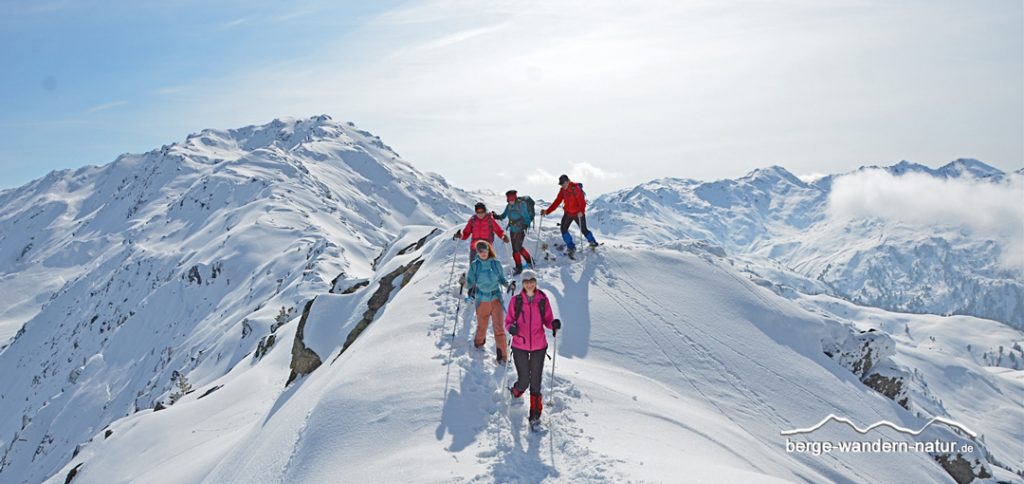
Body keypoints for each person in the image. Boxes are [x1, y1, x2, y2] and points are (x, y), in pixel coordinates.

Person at [505, 269, 561, 426]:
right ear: (522, 284)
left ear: (536, 282)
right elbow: (508, 321)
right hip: (519, 345)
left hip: (538, 346)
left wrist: (553, 324)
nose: (529, 284)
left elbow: (548, 320)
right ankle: (516, 391)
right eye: (526, 281)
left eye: (532, 281)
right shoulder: (516, 301)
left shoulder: (542, 300)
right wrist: (511, 328)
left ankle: (535, 414)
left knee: (536, 381)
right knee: (524, 380)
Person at [466, 240, 513, 363]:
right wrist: (464, 282)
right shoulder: (475, 265)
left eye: (484, 250)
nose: (483, 253)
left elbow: (502, 279)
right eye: (480, 251)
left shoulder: (496, 264)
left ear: (488, 249)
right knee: (482, 326)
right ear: (477, 252)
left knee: (499, 328)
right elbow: (469, 282)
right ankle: (478, 344)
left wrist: (508, 285)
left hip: (496, 299)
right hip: (482, 300)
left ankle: (502, 356)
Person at [543, 174, 598, 258]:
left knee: (584, 229)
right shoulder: (562, 190)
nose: (563, 186)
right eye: (561, 184)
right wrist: (547, 211)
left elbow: (582, 202)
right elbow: (557, 202)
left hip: (578, 213)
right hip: (568, 213)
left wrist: (581, 211)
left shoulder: (575, 189)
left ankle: (593, 242)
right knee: (563, 229)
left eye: (563, 183)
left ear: (568, 181)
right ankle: (571, 246)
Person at [493, 189, 535, 275]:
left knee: (516, 249)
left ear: (515, 198)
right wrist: (497, 216)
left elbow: (526, 216)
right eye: (509, 199)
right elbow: (504, 215)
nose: (511, 201)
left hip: (520, 229)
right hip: (512, 230)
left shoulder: (521, 204)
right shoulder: (508, 206)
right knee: (517, 248)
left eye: (512, 199)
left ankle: (519, 267)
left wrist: (526, 225)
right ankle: (529, 260)